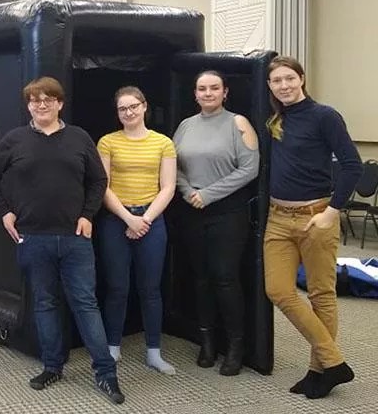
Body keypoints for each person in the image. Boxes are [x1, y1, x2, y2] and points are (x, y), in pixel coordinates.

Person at [0, 76, 124, 405]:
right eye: (34, 100)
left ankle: (106, 373)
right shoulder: (15, 140)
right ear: (28, 105)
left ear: (60, 103)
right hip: (32, 239)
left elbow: (98, 180)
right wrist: (4, 211)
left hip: (75, 238)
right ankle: (52, 366)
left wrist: (88, 214)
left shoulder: (78, 138)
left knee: (85, 305)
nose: (41, 104)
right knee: (44, 304)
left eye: (48, 99)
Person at [263, 55, 360, 398]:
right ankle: (334, 361)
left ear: (301, 79)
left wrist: (333, 211)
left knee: (321, 295)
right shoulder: (275, 118)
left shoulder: (324, 116)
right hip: (278, 218)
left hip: (316, 216)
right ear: (270, 86)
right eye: (277, 81)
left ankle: (319, 371)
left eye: (290, 78)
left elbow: (352, 165)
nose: (284, 85)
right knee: (278, 290)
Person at [173, 71, 259, 376]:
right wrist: (187, 192)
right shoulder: (185, 126)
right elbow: (173, 166)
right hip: (191, 211)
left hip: (228, 212)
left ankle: (236, 346)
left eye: (214, 88)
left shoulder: (238, 124)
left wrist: (208, 194)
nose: (208, 93)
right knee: (201, 279)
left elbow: (249, 169)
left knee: (225, 278)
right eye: (202, 89)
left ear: (225, 92)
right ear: (195, 94)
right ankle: (207, 343)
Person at [96, 86, 177, 375]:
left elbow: (168, 187)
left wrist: (145, 220)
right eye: (122, 109)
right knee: (117, 288)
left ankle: (153, 352)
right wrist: (128, 219)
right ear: (117, 113)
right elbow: (102, 186)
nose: (128, 112)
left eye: (133, 106)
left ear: (144, 107)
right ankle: (113, 348)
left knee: (151, 289)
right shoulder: (107, 142)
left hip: (152, 220)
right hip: (116, 219)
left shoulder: (163, 143)